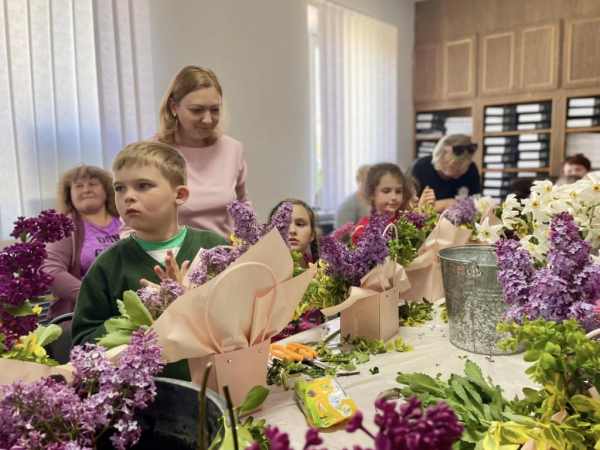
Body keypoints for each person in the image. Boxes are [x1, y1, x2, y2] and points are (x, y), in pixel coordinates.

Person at [72, 141, 228, 380]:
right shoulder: (107, 266)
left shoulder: (214, 248)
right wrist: (142, 317)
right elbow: (83, 345)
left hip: (218, 384)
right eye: (120, 188)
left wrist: (189, 302)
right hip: (146, 397)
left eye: (143, 186)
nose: (128, 197)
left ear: (180, 195)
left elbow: (243, 319)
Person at [122, 66, 252, 240]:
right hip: (172, 260)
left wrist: (249, 243)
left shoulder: (232, 149)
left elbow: (243, 205)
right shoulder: (151, 154)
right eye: (197, 110)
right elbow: (131, 222)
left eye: (215, 110)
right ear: (174, 107)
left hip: (226, 257)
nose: (207, 119)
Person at [42, 166, 121, 320]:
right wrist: (93, 297)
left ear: (106, 190)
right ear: (69, 194)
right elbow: (50, 271)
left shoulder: (126, 221)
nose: (86, 190)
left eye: (93, 184)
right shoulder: (62, 226)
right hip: (86, 314)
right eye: (78, 186)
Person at [270, 199, 322, 341]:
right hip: (272, 353)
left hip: (312, 349)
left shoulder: (320, 269)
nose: (292, 231)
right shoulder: (264, 272)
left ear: (312, 234)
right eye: (284, 224)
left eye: (300, 224)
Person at [409, 134, 480, 213]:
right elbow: (410, 207)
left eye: (466, 165)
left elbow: (476, 201)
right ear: (440, 160)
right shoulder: (420, 168)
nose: (462, 170)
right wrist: (446, 204)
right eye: (455, 166)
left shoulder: (471, 169)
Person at [351, 163, 406, 245]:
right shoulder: (363, 229)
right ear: (372, 193)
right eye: (386, 191)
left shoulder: (407, 221)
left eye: (398, 191)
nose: (394, 197)